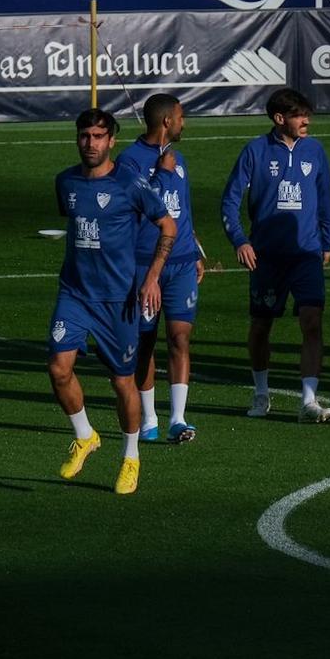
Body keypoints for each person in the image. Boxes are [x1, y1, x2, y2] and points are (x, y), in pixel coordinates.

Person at [48, 109, 174, 495]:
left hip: (118, 300)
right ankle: (85, 435)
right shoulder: (65, 181)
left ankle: (130, 457)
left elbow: (167, 225)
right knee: (58, 368)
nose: (91, 143)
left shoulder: (130, 184)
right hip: (74, 292)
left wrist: (151, 277)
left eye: (98, 136)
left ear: (111, 141)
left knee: (123, 382)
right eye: (85, 136)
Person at [221, 88, 330, 423]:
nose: (307, 121)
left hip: (306, 254)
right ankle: (261, 393)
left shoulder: (314, 150)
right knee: (261, 325)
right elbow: (229, 201)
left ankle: (309, 401)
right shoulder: (255, 151)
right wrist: (240, 241)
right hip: (266, 257)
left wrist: (327, 242)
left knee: (312, 321)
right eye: (300, 115)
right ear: (279, 118)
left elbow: (325, 199)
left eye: (307, 114)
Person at [116, 93, 204, 445]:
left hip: (180, 261)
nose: (184, 123)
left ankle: (178, 419)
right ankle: (149, 417)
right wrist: (162, 175)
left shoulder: (176, 158)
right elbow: (140, 206)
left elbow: (180, 206)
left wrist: (195, 247)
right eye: (181, 117)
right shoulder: (129, 162)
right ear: (167, 121)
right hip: (144, 264)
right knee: (145, 341)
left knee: (180, 336)